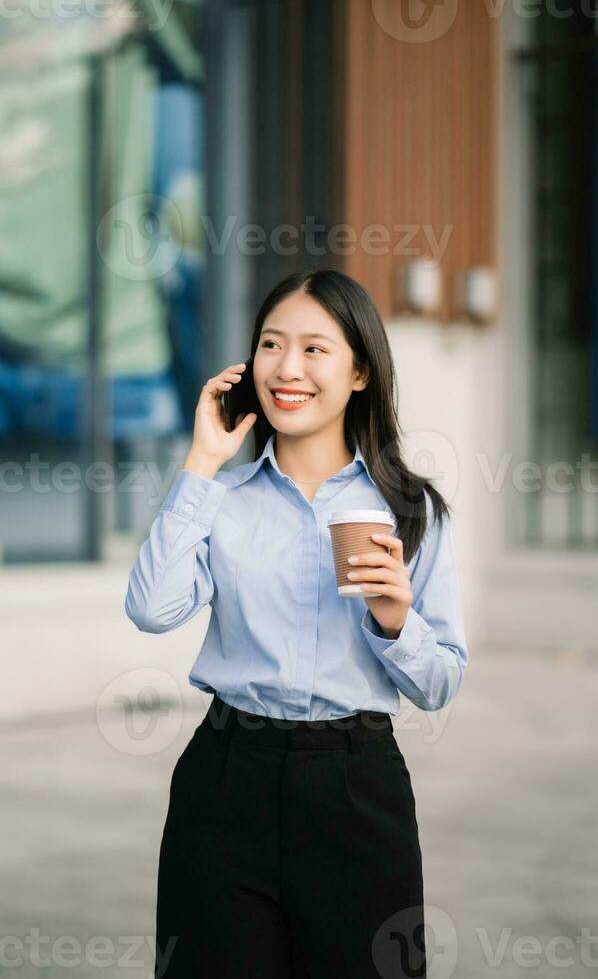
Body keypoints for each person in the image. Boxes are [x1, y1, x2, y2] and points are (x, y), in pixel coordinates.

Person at [124, 268, 468, 978]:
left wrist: (396, 619)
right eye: (272, 345)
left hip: (355, 786)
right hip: (225, 778)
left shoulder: (412, 511)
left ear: (361, 372)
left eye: (315, 349)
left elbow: (439, 684)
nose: (287, 368)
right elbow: (152, 609)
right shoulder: (219, 499)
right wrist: (200, 464)